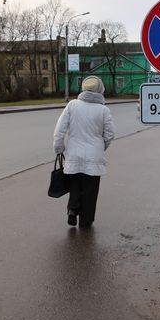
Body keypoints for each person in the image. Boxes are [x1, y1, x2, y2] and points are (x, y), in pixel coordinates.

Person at [53, 76, 115, 228]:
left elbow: (60, 129)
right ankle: (86, 220)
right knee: (90, 189)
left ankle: (73, 210)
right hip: (94, 155)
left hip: (74, 153)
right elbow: (110, 134)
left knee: (74, 183)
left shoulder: (72, 105)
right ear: (100, 90)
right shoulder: (103, 110)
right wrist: (101, 147)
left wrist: (58, 147)